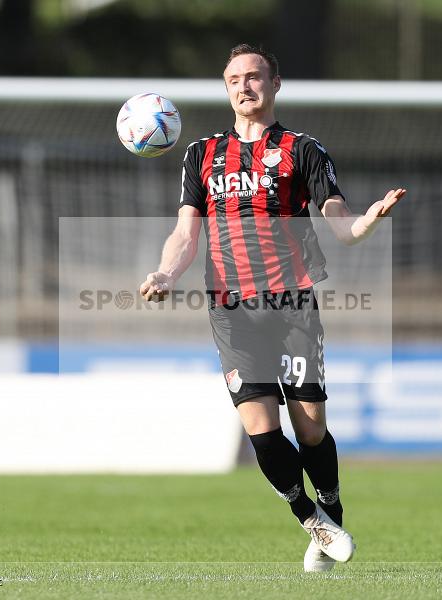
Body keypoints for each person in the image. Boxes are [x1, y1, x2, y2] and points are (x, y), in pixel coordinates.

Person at [139, 43, 406, 572]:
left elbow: (338, 221)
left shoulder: (303, 150)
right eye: (234, 79)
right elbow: (186, 233)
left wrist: (366, 222)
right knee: (261, 430)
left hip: (292, 304)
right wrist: (166, 273)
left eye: (254, 76)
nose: (245, 86)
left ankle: (332, 509)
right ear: (226, 89)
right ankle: (313, 521)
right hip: (230, 308)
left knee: (310, 430)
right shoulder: (201, 154)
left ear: (275, 84)